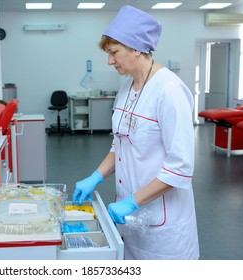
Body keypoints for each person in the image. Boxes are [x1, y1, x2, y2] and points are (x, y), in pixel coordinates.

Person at [72, 5, 199, 260]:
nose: (110, 61)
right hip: (131, 221)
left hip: (164, 225)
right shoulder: (127, 88)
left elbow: (181, 166)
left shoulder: (169, 91)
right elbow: (119, 144)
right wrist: (95, 177)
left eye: (114, 52)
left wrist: (133, 202)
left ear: (137, 48)